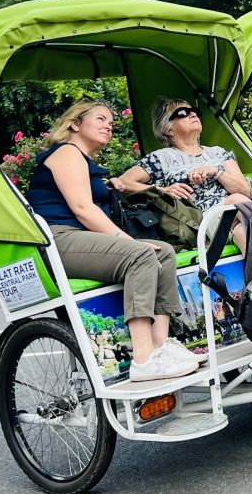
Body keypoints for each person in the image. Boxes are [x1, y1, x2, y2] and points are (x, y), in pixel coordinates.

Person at [25, 100, 204, 382]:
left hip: (80, 238)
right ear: (75, 124)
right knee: (141, 254)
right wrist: (126, 240)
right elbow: (82, 208)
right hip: (58, 239)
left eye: (110, 121)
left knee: (164, 252)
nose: (108, 124)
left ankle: (161, 345)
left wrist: (110, 187)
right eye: (100, 119)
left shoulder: (83, 160)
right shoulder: (67, 153)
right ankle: (144, 358)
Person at [116, 99, 252, 252]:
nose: (193, 114)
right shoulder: (161, 158)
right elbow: (122, 182)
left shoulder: (219, 152)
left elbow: (245, 191)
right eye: (183, 113)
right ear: (167, 129)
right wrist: (161, 190)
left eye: (195, 111)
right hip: (198, 221)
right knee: (238, 201)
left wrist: (217, 172)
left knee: (242, 232)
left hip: (236, 218)